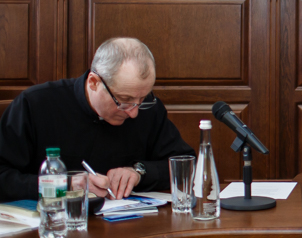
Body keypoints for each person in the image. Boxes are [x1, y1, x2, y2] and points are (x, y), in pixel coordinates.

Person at [0, 37, 195, 201]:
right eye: (124, 100)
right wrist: (64, 185)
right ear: (94, 82)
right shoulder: (35, 104)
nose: (134, 113)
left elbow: (186, 164)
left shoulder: (148, 109)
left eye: (142, 99)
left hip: (128, 226)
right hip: (53, 225)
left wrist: (139, 173)